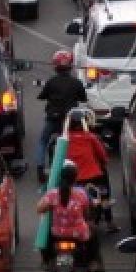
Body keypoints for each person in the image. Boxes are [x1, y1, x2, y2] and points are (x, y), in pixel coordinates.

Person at [35, 160, 111, 272]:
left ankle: (46, 261)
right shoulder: (81, 194)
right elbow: (87, 213)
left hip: (57, 234)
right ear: (75, 178)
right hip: (79, 235)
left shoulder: (52, 194)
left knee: (43, 231)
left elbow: (39, 209)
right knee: (93, 233)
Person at [36, 50, 88, 185]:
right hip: (70, 121)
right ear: (71, 65)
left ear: (55, 66)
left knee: (43, 141)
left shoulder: (51, 82)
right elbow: (83, 97)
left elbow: (42, 95)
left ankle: (40, 169)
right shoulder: (76, 83)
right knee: (80, 140)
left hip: (53, 119)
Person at [61, 109, 117, 233]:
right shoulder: (90, 137)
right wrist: (103, 162)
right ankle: (109, 221)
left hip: (71, 177)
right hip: (93, 176)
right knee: (104, 193)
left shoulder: (63, 140)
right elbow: (102, 155)